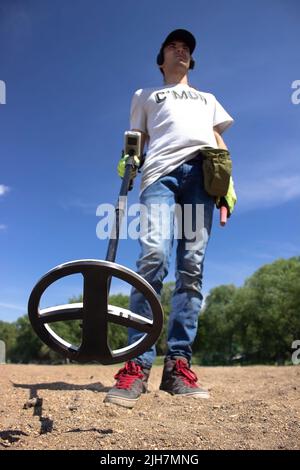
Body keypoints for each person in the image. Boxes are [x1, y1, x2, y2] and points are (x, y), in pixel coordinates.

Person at [105, 29, 235, 408]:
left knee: (191, 267)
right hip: (160, 176)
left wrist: (228, 185)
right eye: (173, 47)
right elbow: (138, 137)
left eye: (186, 49)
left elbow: (217, 139)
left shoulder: (208, 99)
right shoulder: (145, 95)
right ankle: (136, 364)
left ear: (191, 60)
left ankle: (178, 366)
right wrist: (129, 158)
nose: (181, 51)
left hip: (202, 176)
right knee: (153, 259)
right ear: (160, 58)